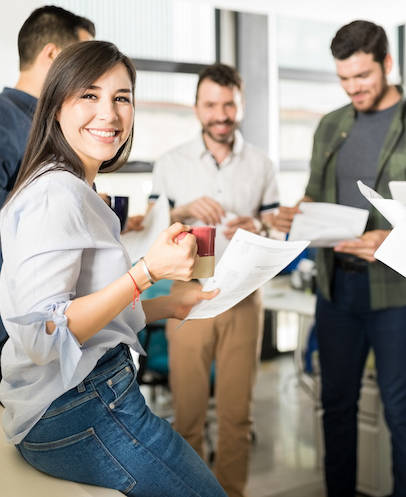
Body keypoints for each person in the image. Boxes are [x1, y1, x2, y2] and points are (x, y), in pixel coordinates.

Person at [0, 40, 228, 497]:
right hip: (82, 403)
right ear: (56, 105)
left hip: (74, 401)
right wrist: (147, 271)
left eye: (122, 98)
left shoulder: (72, 186)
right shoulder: (57, 192)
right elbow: (47, 332)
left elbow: (89, 313)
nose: (109, 113)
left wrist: (166, 305)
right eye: (89, 94)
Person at [273, 20, 406, 497]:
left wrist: (390, 237)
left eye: (362, 76)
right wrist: (296, 213)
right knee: (336, 406)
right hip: (336, 286)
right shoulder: (331, 124)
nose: (354, 88)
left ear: (388, 64)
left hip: (396, 291)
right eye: (344, 79)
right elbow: (316, 194)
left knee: (401, 410)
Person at [0, 6, 95, 393]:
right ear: (51, 54)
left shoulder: (54, 122)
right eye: (79, 59)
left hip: (56, 317)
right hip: (14, 320)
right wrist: (55, 202)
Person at [148, 63, 279, 497]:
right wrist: (179, 212)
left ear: (240, 105)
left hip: (244, 296)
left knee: (237, 416)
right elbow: (148, 231)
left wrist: (260, 226)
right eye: (211, 105)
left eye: (228, 104)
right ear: (197, 108)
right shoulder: (170, 165)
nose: (220, 114)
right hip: (188, 294)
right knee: (186, 417)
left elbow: (279, 228)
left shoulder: (262, 164)